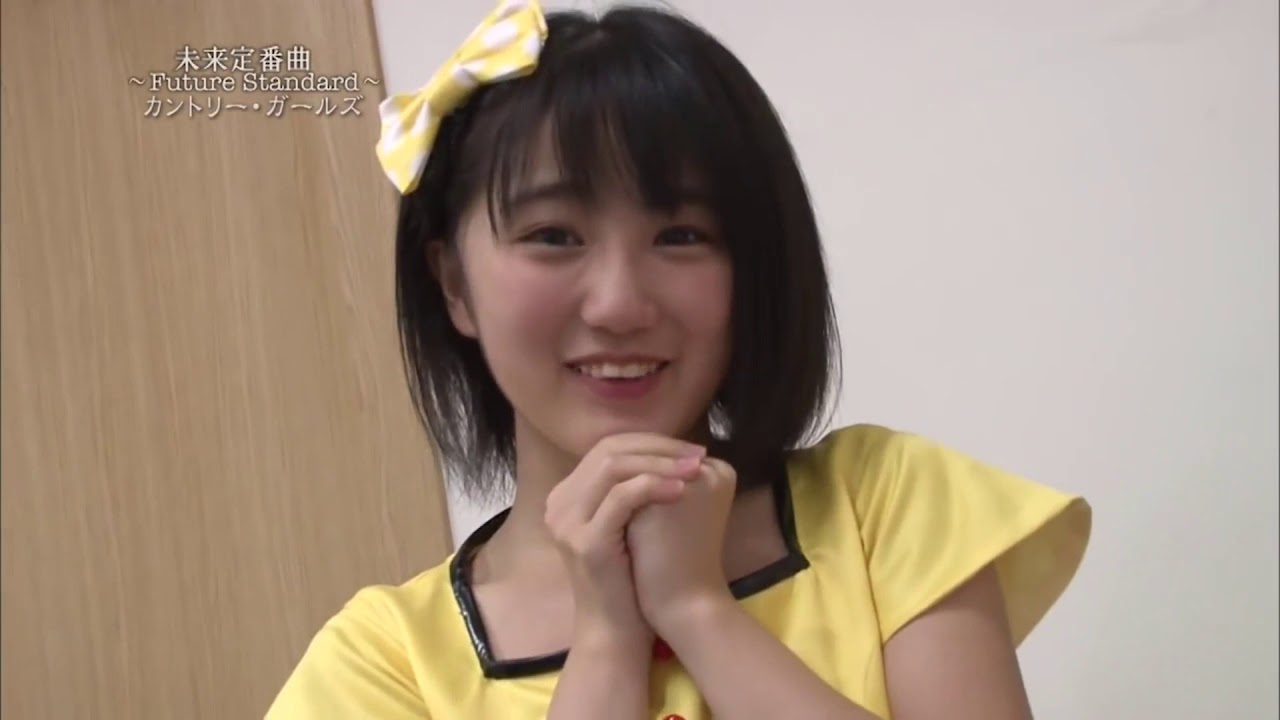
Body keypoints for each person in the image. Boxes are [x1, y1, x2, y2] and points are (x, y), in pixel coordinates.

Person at [265, 1, 1092, 718]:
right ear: (454, 285)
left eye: (682, 235)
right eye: (553, 236)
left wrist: (698, 610)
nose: (620, 304)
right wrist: (607, 639)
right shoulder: (382, 660)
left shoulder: (885, 504)